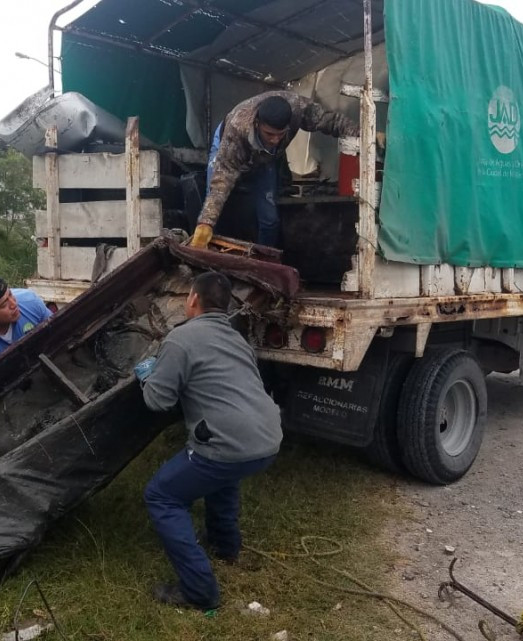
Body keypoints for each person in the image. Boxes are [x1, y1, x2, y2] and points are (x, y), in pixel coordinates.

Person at [135, 271, 283, 610]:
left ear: (192, 299)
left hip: (227, 444)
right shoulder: (237, 340)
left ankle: (199, 593)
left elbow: (158, 402)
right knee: (222, 474)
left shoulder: (180, 339)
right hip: (268, 438)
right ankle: (224, 546)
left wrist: (147, 376)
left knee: (162, 496)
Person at [191, 91, 360, 249]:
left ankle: (267, 260)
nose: (275, 140)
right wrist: (207, 222)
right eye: (269, 134)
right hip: (226, 148)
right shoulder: (236, 129)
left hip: (266, 158)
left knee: (270, 219)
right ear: (257, 123)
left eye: (281, 134)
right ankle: (211, 253)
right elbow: (222, 179)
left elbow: (330, 121)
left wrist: (362, 133)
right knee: (212, 211)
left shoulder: (297, 107)